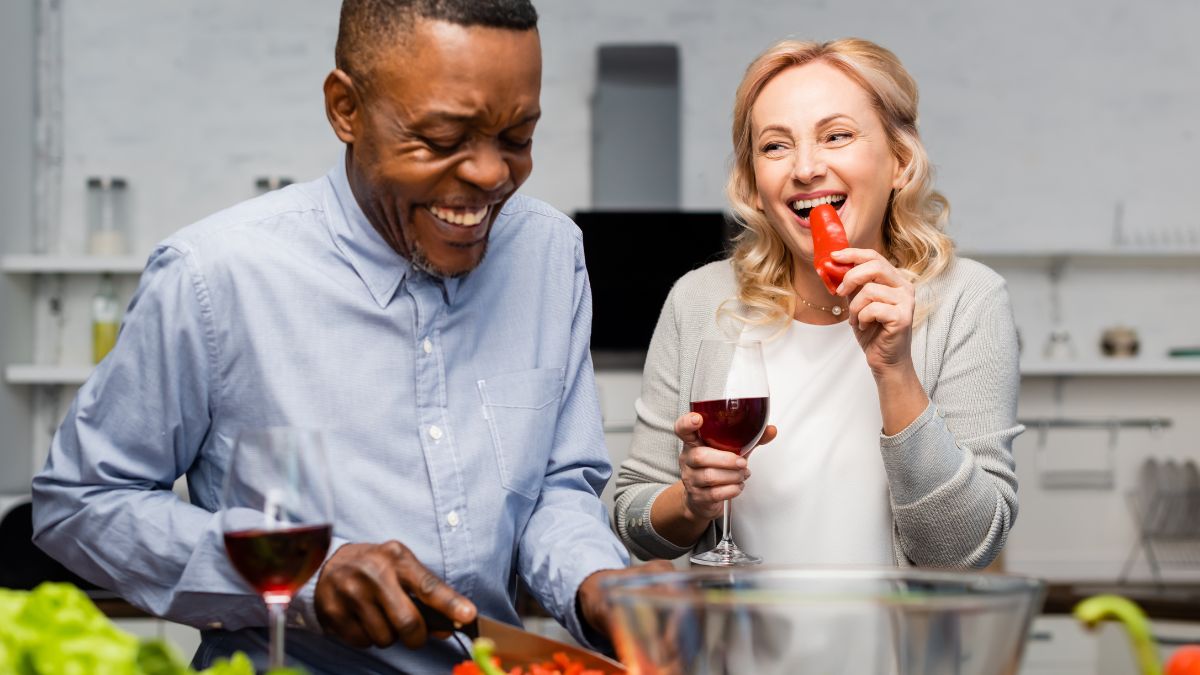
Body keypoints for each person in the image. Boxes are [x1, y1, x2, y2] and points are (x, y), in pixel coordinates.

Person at [31, 1, 641, 672]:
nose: (490, 174)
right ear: (344, 108)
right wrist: (304, 577)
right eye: (442, 139)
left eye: (518, 137)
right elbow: (80, 503)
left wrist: (596, 582)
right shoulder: (214, 277)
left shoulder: (550, 254)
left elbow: (557, 485)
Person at [614, 38, 1021, 568]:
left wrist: (894, 370)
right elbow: (632, 521)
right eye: (776, 146)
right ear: (754, 183)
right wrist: (690, 502)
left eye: (837, 136)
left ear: (900, 160)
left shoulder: (968, 299)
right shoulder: (701, 299)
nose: (806, 168)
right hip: (732, 649)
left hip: (896, 652)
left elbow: (962, 550)